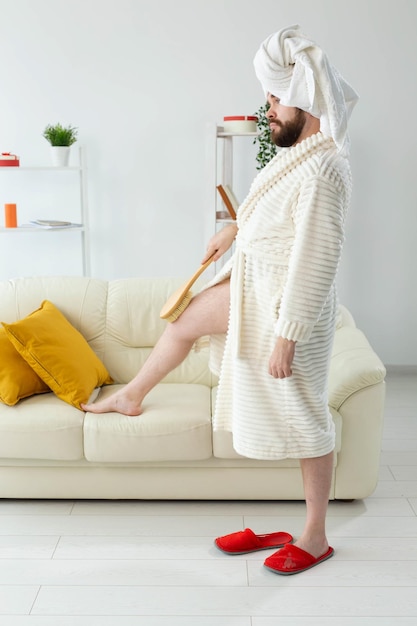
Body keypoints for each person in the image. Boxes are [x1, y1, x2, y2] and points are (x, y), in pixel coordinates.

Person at [82, 25, 358, 575]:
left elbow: (317, 257)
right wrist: (235, 230)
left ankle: (315, 535)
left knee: (304, 416)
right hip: (253, 291)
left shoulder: (326, 167)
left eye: (276, 100)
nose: (268, 112)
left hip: (286, 310)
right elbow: (272, 215)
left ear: (305, 100)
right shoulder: (295, 159)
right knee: (185, 320)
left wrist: (289, 333)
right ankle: (132, 395)